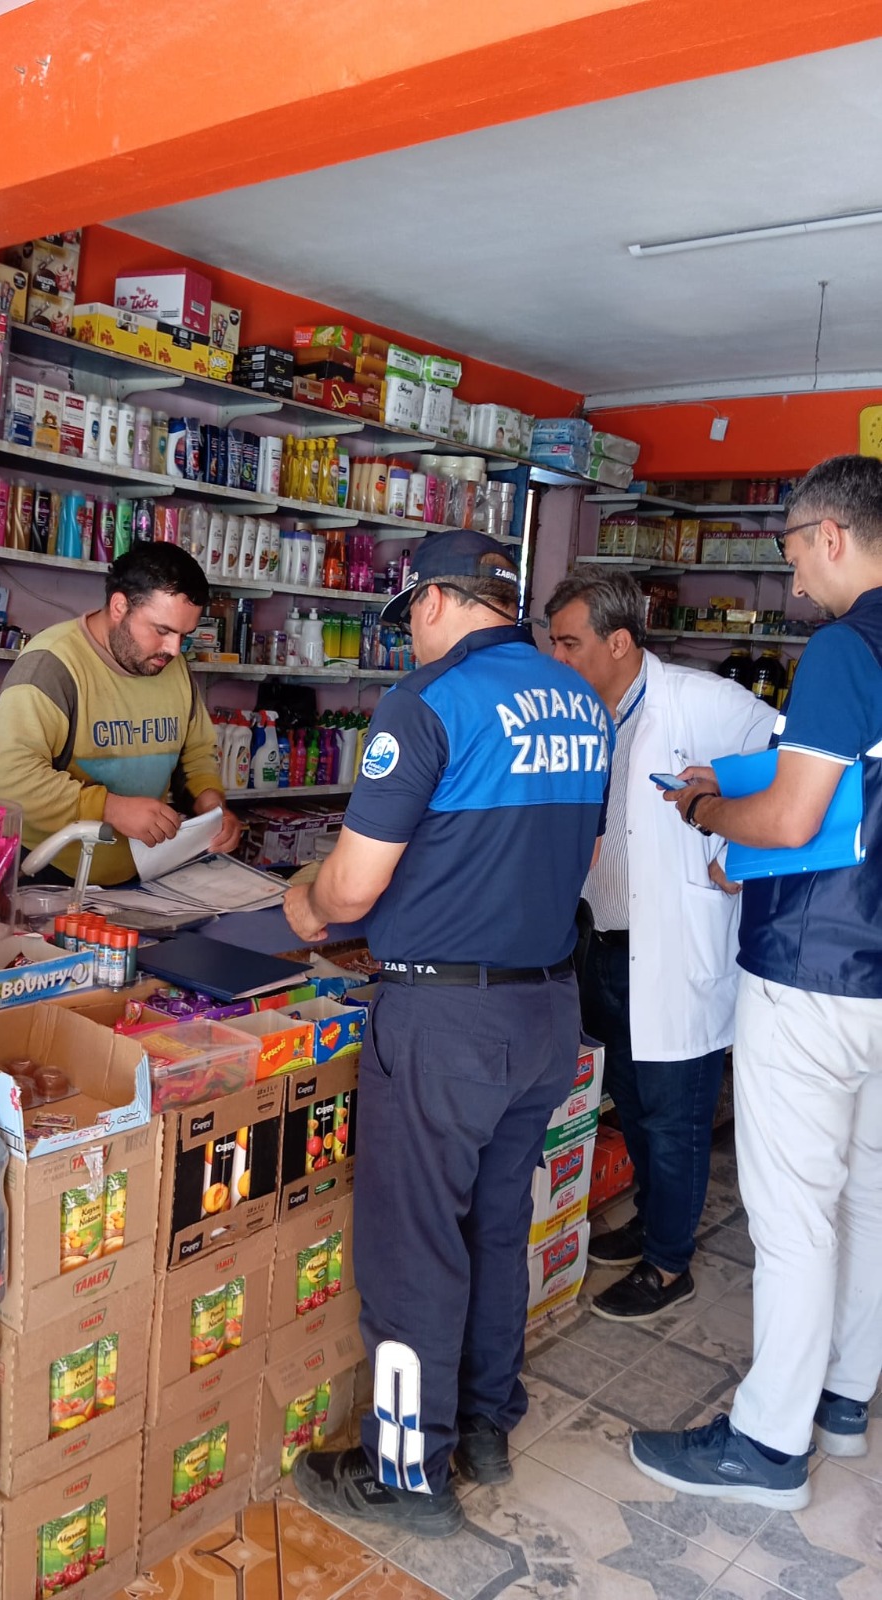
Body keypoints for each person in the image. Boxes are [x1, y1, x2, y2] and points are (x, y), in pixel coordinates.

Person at [282, 528, 612, 1538]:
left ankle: (400, 1469)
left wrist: (303, 902)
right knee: (494, 1222)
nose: (407, 643)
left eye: (407, 622)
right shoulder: (581, 701)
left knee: (410, 1246)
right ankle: (484, 1423)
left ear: (430, 602)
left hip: (443, 1023)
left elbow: (351, 882)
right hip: (544, 1009)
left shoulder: (424, 704)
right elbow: (579, 848)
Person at [628, 455, 882, 1510]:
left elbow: (789, 821)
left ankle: (766, 1446)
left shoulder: (843, 645)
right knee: (868, 1194)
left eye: (787, 550)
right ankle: (845, 1398)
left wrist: (704, 815)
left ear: (830, 535)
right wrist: (742, 783)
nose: (788, 577)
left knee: (792, 1214)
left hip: (812, 969)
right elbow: (847, 795)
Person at [545, 571, 773, 1322]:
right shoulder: (579, 713)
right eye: (553, 641)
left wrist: (740, 857)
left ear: (619, 641)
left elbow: (796, 770)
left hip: (675, 949)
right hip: (604, 943)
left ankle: (671, 1265)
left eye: (570, 643)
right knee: (635, 1106)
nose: (558, 657)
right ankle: (652, 1221)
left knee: (676, 1118)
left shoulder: (702, 702)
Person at [0, 543, 240, 885]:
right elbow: (7, 781)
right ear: (120, 606)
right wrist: (110, 808)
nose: (174, 650)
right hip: (51, 876)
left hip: (145, 876)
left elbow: (195, 755)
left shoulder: (172, 668)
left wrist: (212, 807)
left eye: (184, 636)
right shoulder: (51, 666)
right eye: (162, 630)